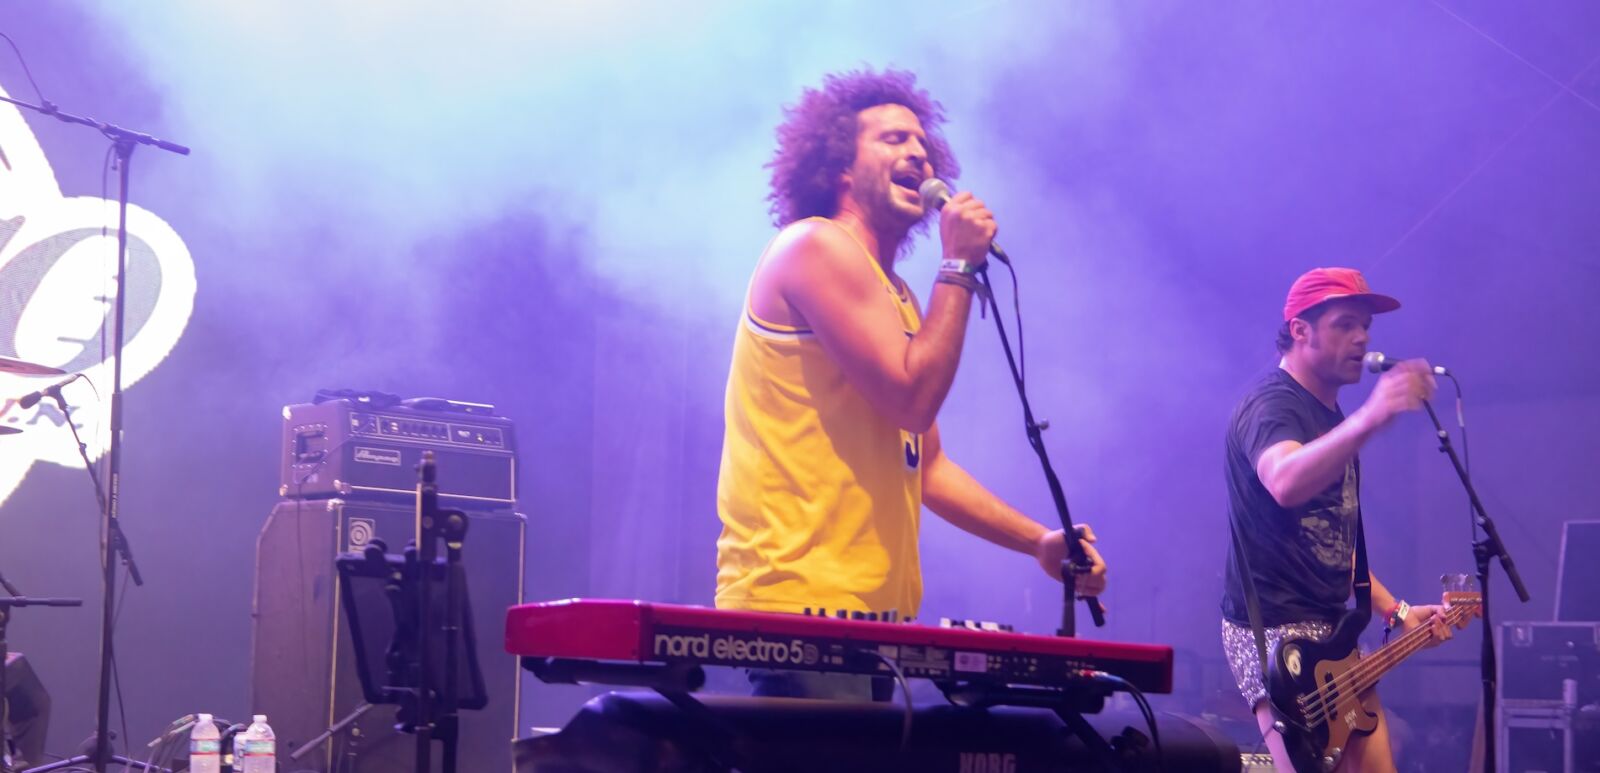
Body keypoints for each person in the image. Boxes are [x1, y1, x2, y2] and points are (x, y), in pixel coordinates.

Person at [714, 68, 1107, 700]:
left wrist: (1038, 541)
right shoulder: (812, 246)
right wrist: (955, 266)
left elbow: (927, 465)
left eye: (922, 144)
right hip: (799, 610)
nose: (918, 154)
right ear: (840, 165)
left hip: (866, 625)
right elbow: (913, 395)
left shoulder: (892, 293)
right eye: (893, 140)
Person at [1221, 267, 1467, 771]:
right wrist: (1372, 417)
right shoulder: (1272, 404)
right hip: (1276, 633)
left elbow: (1335, 546)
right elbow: (1284, 482)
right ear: (1300, 330)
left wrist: (1397, 613)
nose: (1362, 338)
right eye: (1345, 324)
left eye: (1366, 326)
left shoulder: (1332, 419)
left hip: (1335, 630)